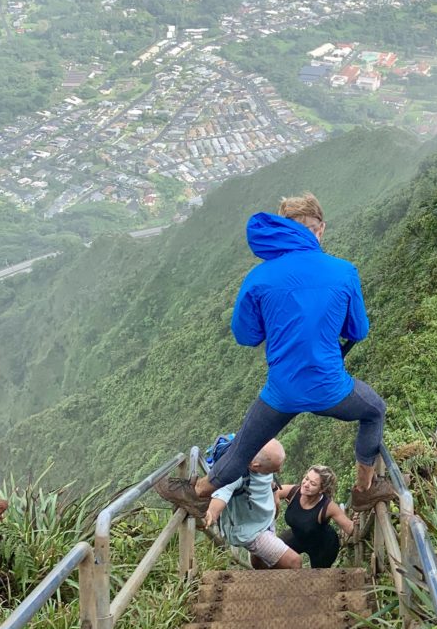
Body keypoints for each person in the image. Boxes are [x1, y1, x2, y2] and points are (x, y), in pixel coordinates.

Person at [155, 192, 395, 518]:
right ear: (320, 229)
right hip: (331, 387)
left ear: (281, 228)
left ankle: (196, 493)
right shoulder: (344, 272)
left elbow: (246, 336)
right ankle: (364, 491)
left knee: (244, 447)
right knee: (374, 411)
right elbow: (359, 331)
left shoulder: (259, 277)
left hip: (282, 391)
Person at [204, 439, 301, 570]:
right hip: (252, 531)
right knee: (294, 562)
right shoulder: (234, 475)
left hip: (262, 519)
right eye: (274, 469)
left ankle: (261, 583)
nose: (279, 471)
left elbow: (267, 479)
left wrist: (274, 493)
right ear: (255, 466)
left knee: (262, 558)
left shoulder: (257, 448)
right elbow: (219, 500)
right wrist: (209, 515)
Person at [277, 464, 354, 569]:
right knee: (275, 555)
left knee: (317, 578)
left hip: (323, 545)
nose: (306, 484)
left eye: (312, 483)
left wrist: (356, 523)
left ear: (321, 489)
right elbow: (272, 491)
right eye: (306, 479)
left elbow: (349, 527)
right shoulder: (293, 492)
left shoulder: (328, 506)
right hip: (297, 536)